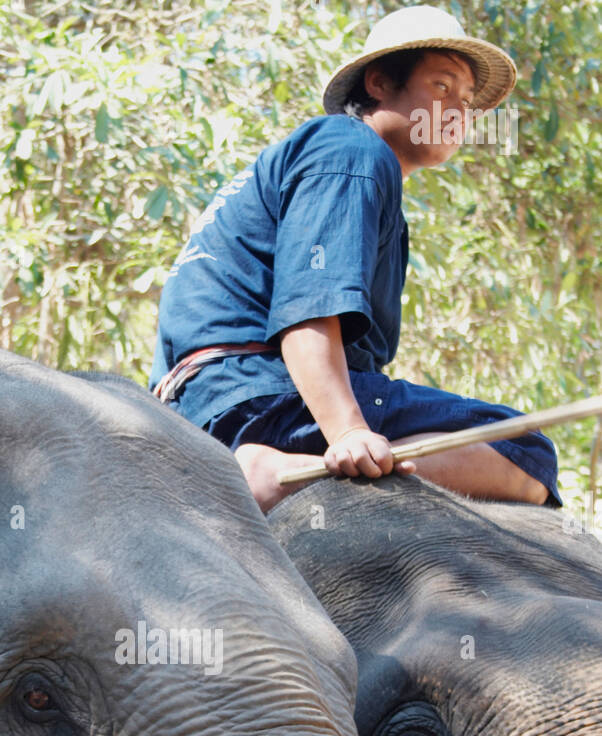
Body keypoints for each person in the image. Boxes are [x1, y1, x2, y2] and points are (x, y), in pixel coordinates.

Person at [149, 4, 560, 512]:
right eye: (441, 87)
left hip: (204, 401)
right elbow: (308, 306)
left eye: (468, 100)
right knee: (523, 449)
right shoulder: (350, 151)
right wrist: (347, 430)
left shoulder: (341, 163)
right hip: (260, 392)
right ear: (380, 83)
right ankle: (287, 478)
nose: (459, 110)